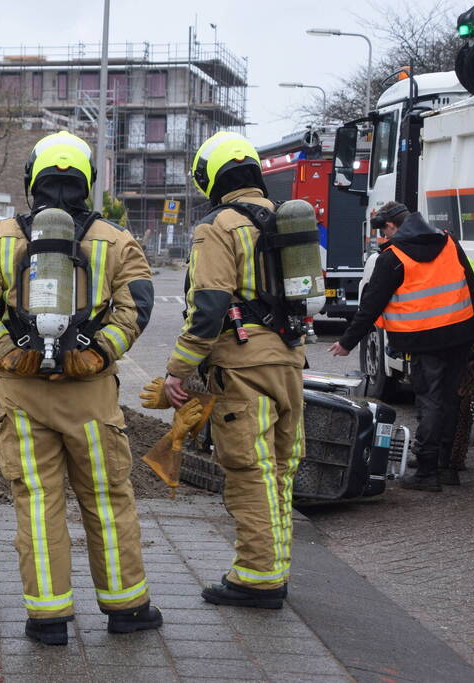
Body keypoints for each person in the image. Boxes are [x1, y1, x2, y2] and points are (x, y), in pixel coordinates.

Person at [0, 131, 160, 645]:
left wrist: (6, 350)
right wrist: (99, 350)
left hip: (21, 392)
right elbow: (136, 305)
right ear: (87, 181)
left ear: (32, 180)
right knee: (108, 498)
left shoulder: (2, 237)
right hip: (90, 394)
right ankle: (127, 610)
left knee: (37, 501)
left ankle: (47, 618)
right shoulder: (115, 240)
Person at [162, 131, 305, 610]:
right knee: (280, 469)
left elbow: (207, 308)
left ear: (210, 177)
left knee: (248, 469)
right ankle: (274, 567)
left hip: (244, 364)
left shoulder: (219, 226)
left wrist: (178, 369)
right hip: (288, 358)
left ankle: (256, 579)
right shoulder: (282, 219)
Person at [330, 201, 474, 490]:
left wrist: (346, 342)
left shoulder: (394, 258)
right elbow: (470, 286)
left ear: (391, 226)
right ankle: (446, 467)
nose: (383, 237)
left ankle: (427, 472)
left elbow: (371, 305)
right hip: (460, 334)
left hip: (424, 338)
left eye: (383, 230)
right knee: (451, 399)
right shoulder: (449, 242)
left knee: (430, 400)